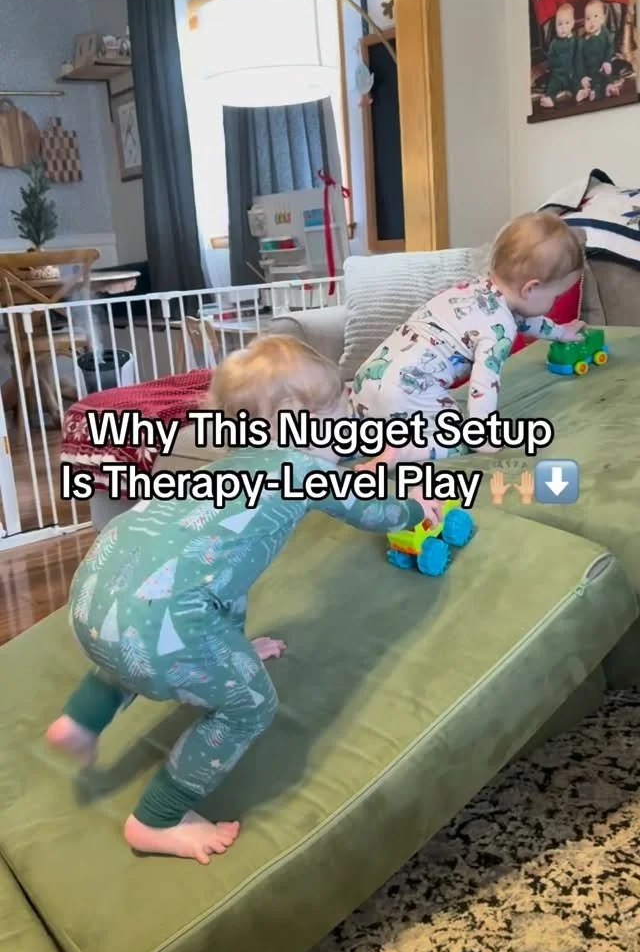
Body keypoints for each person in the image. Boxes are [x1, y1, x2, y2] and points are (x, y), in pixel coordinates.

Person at [46, 336, 436, 866]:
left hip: (95, 598)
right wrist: (415, 508)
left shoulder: (228, 465)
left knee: (157, 614)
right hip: (167, 632)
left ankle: (79, 721)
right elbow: (370, 510)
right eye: (340, 411)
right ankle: (157, 819)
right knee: (249, 705)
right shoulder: (306, 470)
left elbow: (205, 577)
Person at [351, 213, 586, 469]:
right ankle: (405, 452)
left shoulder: (471, 291)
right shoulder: (500, 329)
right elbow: (484, 385)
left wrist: (561, 333)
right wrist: (482, 436)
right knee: (457, 438)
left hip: (368, 379)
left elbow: (525, 320)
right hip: (410, 390)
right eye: (556, 296)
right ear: (530, 288)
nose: (554, 302)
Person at [576, 0, 616, 102]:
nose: (591, 21)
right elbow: (579, 60)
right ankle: (592, 91)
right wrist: (582, 76)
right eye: (588, 18)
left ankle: (609, 87)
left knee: (608, 75)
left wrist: (607, 61)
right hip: (590, 69)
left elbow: (609, 47)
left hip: (603, 64)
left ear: (602, 19)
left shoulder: (605, 32)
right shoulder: (582, 40)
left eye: (596, 16)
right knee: (593, 80)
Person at [540, 3, 579, 109]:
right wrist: (553, 64)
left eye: (567, 23)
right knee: (553, 85)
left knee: (576, 82)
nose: (563, 28)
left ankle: (579, 92)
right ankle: (550, 98)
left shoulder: (575, 41)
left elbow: (579, 56)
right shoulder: (554, 43)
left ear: (572, 23)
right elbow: (551, 57)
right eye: (559, 24)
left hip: (572, 73)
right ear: (555, 26)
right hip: (558, 74)